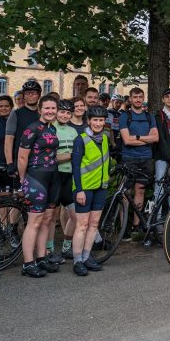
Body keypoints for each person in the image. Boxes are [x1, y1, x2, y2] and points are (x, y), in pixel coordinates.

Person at [18, 95, 60, 278]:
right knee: (34, 221)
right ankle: (28, 263)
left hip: (52, 177)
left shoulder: (52, 129)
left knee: (46, 219)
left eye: (53, 108)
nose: (50, 111)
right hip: (36, 178)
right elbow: (22, 157)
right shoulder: (32, 129)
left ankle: (41, 258)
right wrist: (22, 179)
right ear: (40, 110)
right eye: (47, 108)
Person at [69, 106, 111, 275]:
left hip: (100, 187)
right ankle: (77, 260)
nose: (98, 123)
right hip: (84, 188)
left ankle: (87, 257)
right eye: (95, 120)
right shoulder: (81, 139)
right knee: (82, 225)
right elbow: (76, 167)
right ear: (89, 121)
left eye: (101, 120)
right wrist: (79, 189)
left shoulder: (106, 137)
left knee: (94, 224)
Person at [119, 87, 159, 236]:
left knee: (140, 190)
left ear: (143, 98)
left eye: (140, 97)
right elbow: (126, 140)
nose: (137, 100)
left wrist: (135, 137)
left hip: (146, 158)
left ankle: (136, 225)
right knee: (125, 192)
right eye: (135, 97)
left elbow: (155, 138)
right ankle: (124, 227)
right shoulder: (125, 116)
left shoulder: (149, 116)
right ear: (130, 99)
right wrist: (144, 139)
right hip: (129, 158)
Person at [53, 99, 78, 262]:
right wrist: (69, 155)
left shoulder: (73, 131)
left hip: (70, 176)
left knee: (75, 216)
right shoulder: (50, 129)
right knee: (49, 217)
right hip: (54, 176)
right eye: (62, 111)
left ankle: (66, 248)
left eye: (68, 113)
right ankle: (48, 251)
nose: (65, 115)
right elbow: (50, 158)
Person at [4, 79, 42, 183]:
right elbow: (9, 140)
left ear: (39, 95)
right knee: (20, 196)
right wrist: (10, 163)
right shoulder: (16, 114)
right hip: (21, 162)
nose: (30, 95)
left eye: (33, 93)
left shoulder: (44, 114)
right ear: (24, 96)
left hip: (42, 162)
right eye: (27, 93)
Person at [152, 88, 170, 189]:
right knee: (159, 184)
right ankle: (157, 205)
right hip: (162, 156)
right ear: (163, 99)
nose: (169, 99)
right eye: (167, 97)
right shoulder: (158, 116)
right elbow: (161, 138)